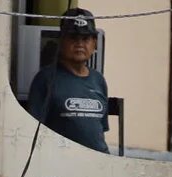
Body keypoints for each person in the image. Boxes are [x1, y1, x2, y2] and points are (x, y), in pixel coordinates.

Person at [26, 9, 109, 154]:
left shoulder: (99, 80)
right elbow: (33, 132)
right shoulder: (45, 79)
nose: (79, 44)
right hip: (63, 165)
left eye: (85, 39)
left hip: (99, 166)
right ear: (61, 40)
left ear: (94, 43)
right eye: (73, 37)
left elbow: (100, 131)